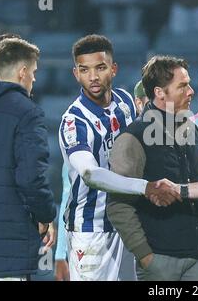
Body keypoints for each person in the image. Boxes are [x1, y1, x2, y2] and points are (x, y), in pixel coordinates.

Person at [58, 35, 177, 281]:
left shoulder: (124, 102)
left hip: (127, 223)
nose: (93, 77)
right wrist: (145, 188)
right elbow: (90, 174)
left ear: (113, 69)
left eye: (100, 68)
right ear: (75, 73)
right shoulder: (74, 121)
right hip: (92, 230)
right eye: (85, 69)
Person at [106, 55, 198, 281]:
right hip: (161, 261)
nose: (191, 92)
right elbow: (118, 205)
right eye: (183, 86)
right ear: (159, 92)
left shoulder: (193, 130)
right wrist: (146, 256)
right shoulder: (133, 137)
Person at [0, 38, 56, 280]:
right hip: (3, 251)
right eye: (34, 72)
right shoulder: (26, 112)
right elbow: (31, 177)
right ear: (22, 72)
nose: (35, 79)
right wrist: (45, 214)